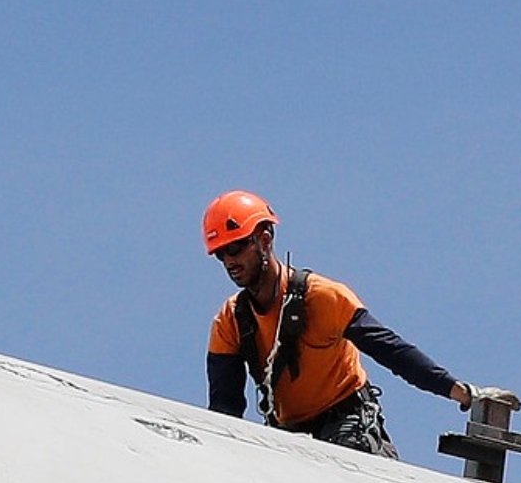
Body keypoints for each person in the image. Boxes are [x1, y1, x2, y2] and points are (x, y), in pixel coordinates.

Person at [200, 191, 484, 457]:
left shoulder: (322, 297)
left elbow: (391, 350)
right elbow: (225, 410)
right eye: (221, 254)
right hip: (288, 432)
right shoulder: (229, 321)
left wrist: (457, 390)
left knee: (348, 467)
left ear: (264, 240)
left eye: (235, 248)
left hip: (347, 419)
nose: (229, 261)